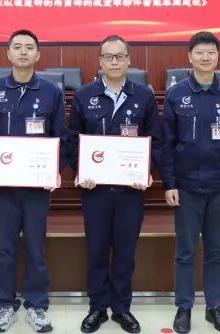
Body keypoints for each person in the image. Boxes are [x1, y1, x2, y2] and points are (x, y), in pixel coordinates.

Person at [66, 35, 163, 334]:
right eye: (108, 56)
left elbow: (156, 140)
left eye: (120, 56)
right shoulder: (84, 96)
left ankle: (121, 308)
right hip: (95, 191)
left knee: (124, 252)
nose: (114, 61)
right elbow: (72, 140)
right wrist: (81, 170)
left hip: (130, 192)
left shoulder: (144, 96)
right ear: (100, 61)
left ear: (129, 60)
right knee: (96, 251)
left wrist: (147, 170)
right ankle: (97, 307)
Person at [159, 31, 220, 334]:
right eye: (199, 52)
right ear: (189, 57)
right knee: (185, 252)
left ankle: (214, 307)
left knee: (215, 251)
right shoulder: (176, 95)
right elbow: (165, 145)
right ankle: (184, 307)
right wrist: (169, 184)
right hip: (186, 187)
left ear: (218, 56)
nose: (205, 57)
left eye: (211, 52)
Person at [0, 29, 66, 333]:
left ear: (38, 55)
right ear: (8, 54)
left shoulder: (52, 92)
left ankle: (37, 305)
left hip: (36, 187)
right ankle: (5, 304)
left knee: (35, 248)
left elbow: (61, 137)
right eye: (17, 47)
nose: (23, 52)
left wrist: (56, 169)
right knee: (6, 249)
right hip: (4, 188)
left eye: (29, 47)